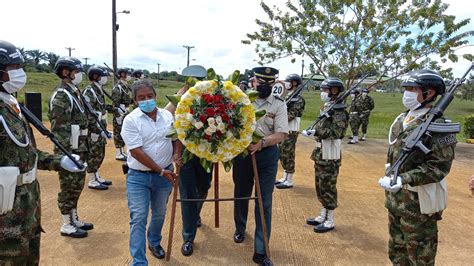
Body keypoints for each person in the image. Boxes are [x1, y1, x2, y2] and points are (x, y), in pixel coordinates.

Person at [0, 40, 84, 264]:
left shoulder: (12, 106)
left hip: (26, 206)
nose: (20, 72)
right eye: (13, 67)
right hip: (5, 213)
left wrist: (60, 161)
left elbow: (27, 154)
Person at [378, 69, 456, 265]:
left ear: (429, 93)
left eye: (412, 89)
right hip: (396, 200)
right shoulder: (402, 119)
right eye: (406, 89)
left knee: (420, 255)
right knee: (397, 250)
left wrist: (404, 178)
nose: (407, 93)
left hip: (419, 203)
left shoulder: (439, 125)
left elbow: (438, 167)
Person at [233, 66, 288, 266]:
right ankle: (240, 229)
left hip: (266, 156)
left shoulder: (279, 105)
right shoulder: (241, 100)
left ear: (274, 84)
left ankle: (261, 250)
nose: (264, 86)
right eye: (261, 82)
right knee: (241, 194)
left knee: (264, 202)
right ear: (253, 81)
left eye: (269, 83)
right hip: (243, 155)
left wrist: (262, 143)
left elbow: (281, 134)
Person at [121, 79, 179, 265]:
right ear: (135, 101)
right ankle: (139, 261)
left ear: (156, 96)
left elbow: (175, 137)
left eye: (150, 96)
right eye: (141, 98)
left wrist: (177, 153)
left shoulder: (167, 116)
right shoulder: (130, 120)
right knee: (138, 217)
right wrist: (161, 171)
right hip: (139, 177)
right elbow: (136, 152)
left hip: (165, 175)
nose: (146, 100)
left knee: (160, 213)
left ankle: (154, 242)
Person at [164, 65, 212, 257]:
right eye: (190, 80)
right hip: (185, 154)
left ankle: (195, 214)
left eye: (198, 80)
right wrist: (178, 97)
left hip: (206, 154)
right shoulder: (180, 98)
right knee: (187, 194)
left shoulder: (212, 99)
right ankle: (188, 237)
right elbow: (166, 116)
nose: (194, 84)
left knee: (204, 187)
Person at [48, 56, 95, 238]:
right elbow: (60, 129)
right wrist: (66, 154)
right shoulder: (61, 95)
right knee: (68, 186)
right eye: (76, 72)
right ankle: (66, 223)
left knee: (77, 185)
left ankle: (74, 218)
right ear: (66, 72)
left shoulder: (74, 92)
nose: (79, 75)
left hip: (80, 147)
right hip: (70, 150)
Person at [302, 77, 348, 233]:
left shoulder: (339, 112)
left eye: (325, 90)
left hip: (330, 154)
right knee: (320, 186)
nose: (322, 93)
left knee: (328, 186)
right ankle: (323, 214)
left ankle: (330, 220)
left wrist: (316, 132)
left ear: (335, 91)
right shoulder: (329, 107)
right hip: (321, 152)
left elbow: (337, 132)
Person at [83, 65, 113, 190]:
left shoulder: (98, 90)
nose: (105, 78)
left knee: (99, 152)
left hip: (100, 126)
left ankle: (96, 176)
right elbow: (88, 113)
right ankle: (92, 180)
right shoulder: (89, 91)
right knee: (93, 153)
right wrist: (98, 130)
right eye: (103, 76)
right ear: (96, 76)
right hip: (93, 129)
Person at [276, 74, 305, 189]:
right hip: (284, 127)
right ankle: (284, 176)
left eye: (288, 81)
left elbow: (292, 114)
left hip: (291, 128)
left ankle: (289, 180)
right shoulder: (288, 96)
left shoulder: (299, 99)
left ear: (294, 83)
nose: (286, 83)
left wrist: (278, 117)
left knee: (288, 152)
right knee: (283, 152)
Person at [111, 68, 132, 160]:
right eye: (127, 74)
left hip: (126, 110)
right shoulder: (117, 88)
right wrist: (117, 114)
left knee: (124, 130)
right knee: (118, 132)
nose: (128, 76)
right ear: (122, 75)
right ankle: (118, 152)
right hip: (120, 112)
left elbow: (127, 100)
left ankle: (122, 151)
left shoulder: (125, 87)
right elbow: (115, 104)